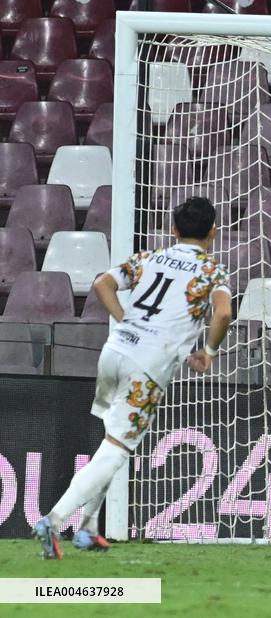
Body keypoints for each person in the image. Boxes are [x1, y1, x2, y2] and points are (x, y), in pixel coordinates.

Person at [34, 197, 233, 560]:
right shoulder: (212, 271)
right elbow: (223, 314)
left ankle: (87, 528)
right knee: (115, 451)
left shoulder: (149, 257)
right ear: (213, 232)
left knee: (109, 443)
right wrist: (209, 351)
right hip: (146, 367)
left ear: (173, 230)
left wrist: (126, 320)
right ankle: (53, 520)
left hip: (114, 351)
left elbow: (102, 284)